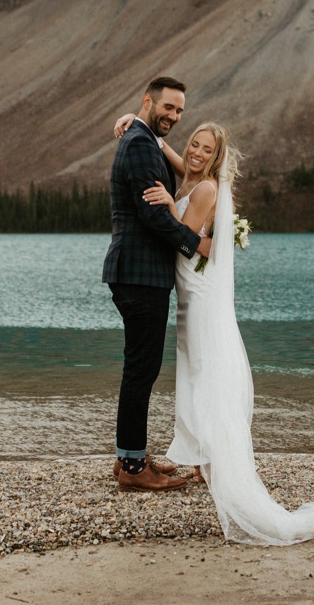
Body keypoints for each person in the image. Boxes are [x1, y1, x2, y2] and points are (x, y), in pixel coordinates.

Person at [112, 114, 314, 544]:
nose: (195, 152)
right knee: (197, 371)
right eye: (193, 144)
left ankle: (215, 462)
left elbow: (181, 235)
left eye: (206, 150)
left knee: (207, 371)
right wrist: (141, 125)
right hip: (193, 291)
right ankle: (202, 458)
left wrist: (163, 204)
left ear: (218, 158)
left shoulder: (208, 187)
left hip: (200, 294)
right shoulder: (197, 176)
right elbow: (177, 162)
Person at [103, 75, 211, 492]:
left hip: (138, 273)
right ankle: (132, 469)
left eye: (180, 110)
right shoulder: (140, 145)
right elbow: (153, 216)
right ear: (149, 101)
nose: (175, 116)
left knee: (140, 368)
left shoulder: (141, 139)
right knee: (141, 369)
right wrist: (198, 245)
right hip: (139, 274)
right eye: (168, 107)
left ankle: (129, 456)